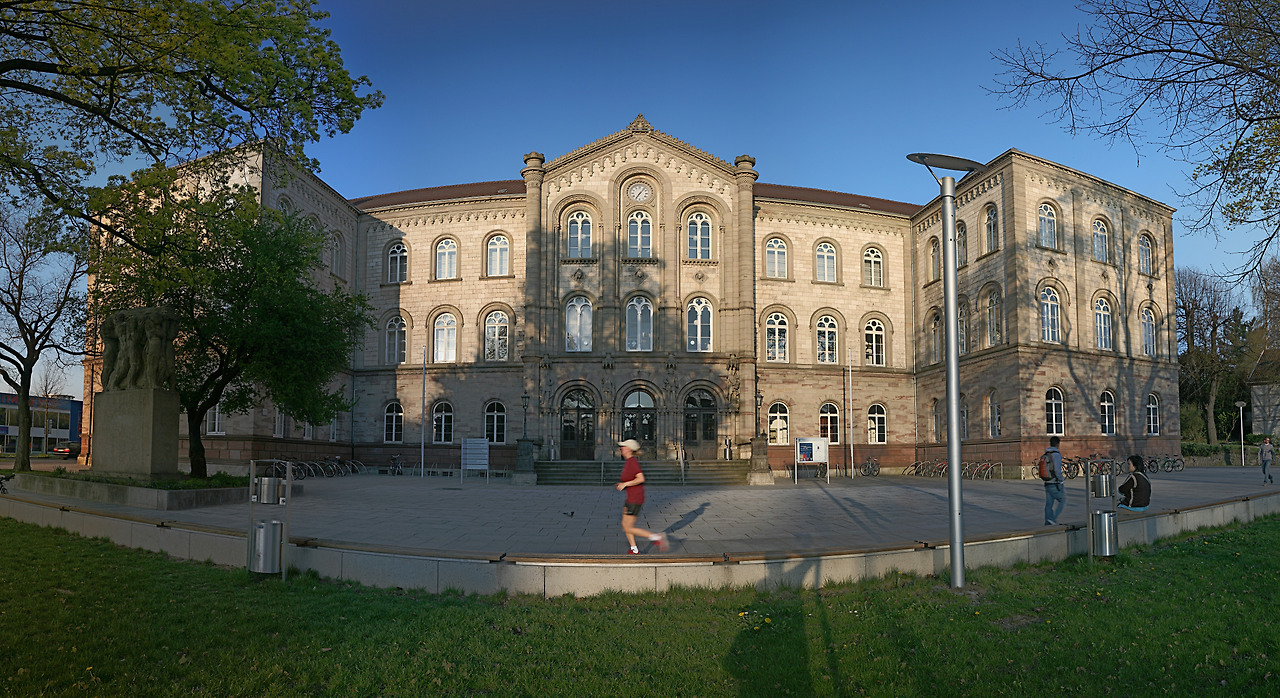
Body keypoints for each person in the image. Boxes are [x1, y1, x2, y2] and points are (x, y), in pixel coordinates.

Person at [615, 439, 669, 554]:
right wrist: (623, 484)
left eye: (623, 446)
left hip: (635, 499)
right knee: (625, 524)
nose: (621, 448)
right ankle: (634, 549)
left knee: (628, 527)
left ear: (629, 449)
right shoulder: (629, 461)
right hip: (631, 498)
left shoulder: (632, 462)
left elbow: (641, 478)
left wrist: (625, 484)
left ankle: (656, 537)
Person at [1043, 435, 1064, 525]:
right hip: (1055, 482)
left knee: (1049, 503)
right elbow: (1057, 470)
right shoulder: (1056, 454)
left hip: (1047, 481)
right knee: (1063, 500)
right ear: (1058, 444)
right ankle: (1053, 519)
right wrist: (1061, 480)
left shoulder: (1046, 454)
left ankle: (1048, 522)